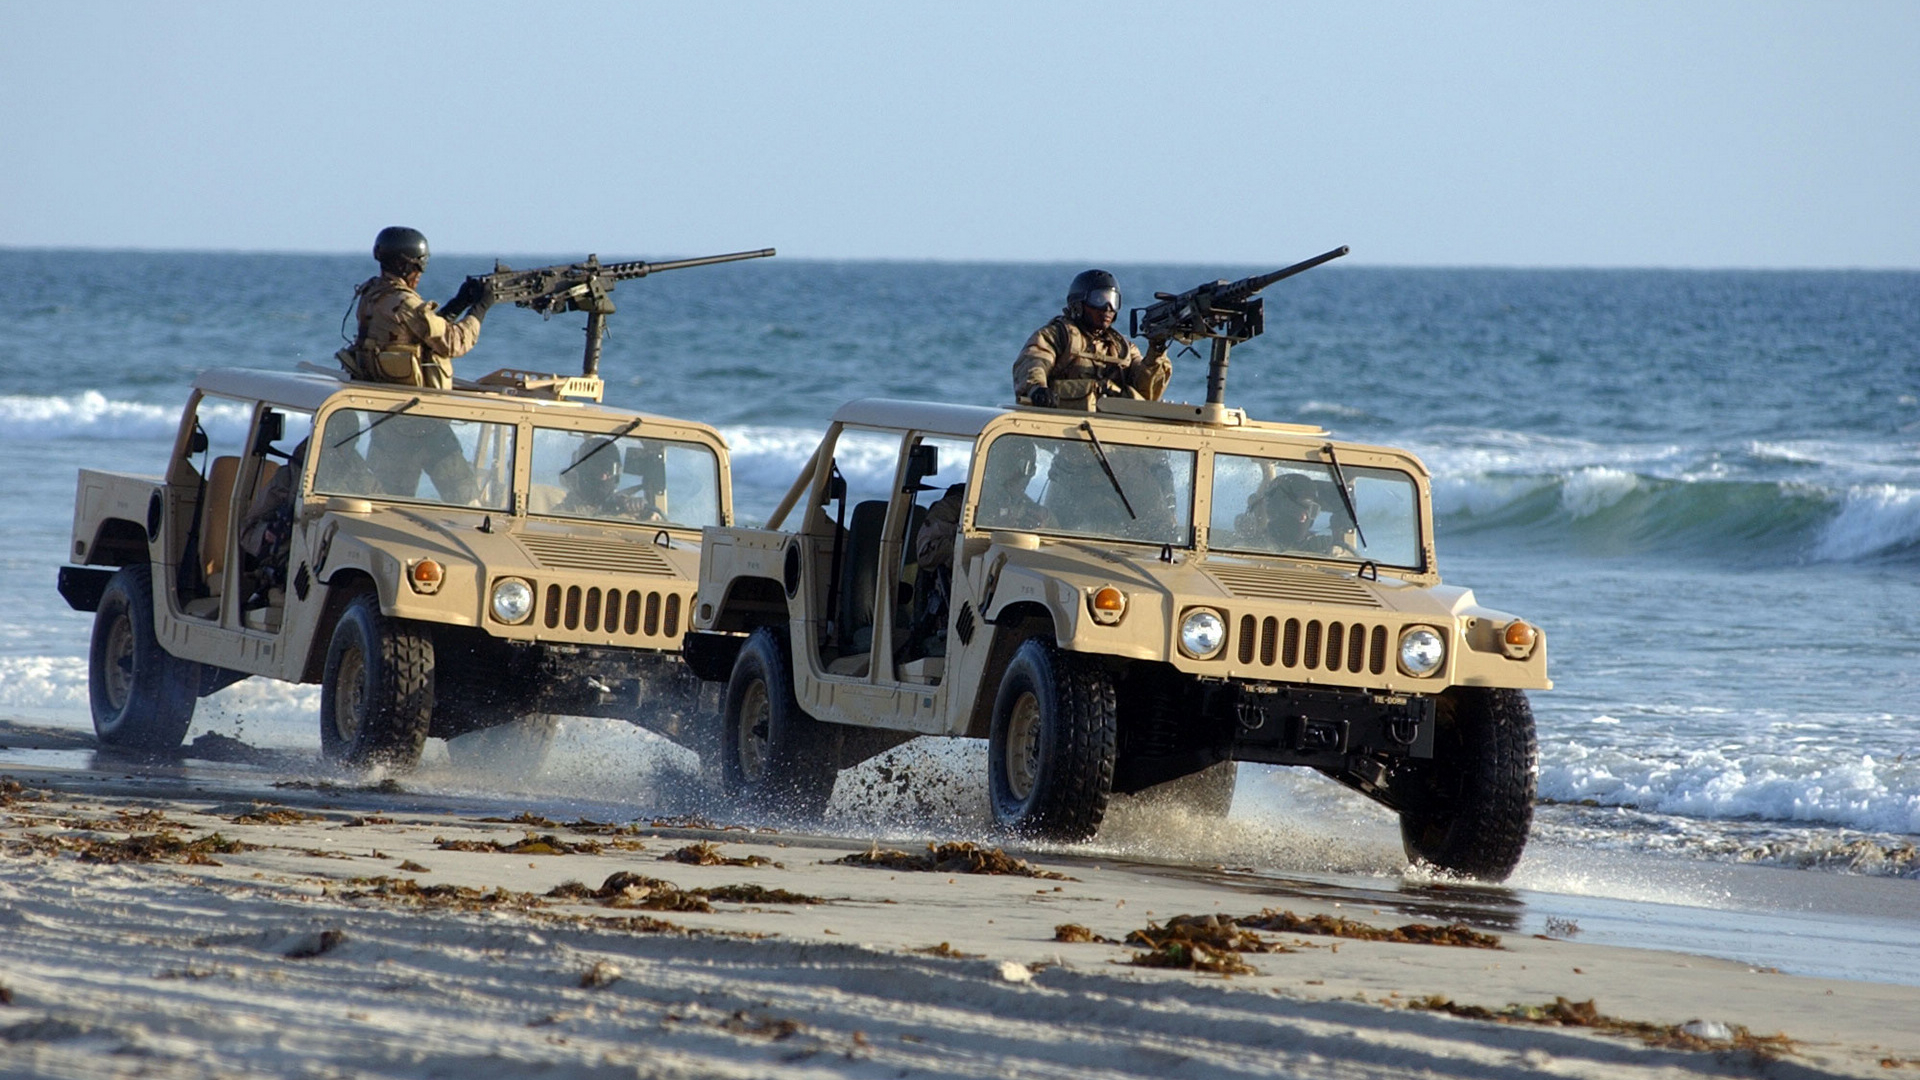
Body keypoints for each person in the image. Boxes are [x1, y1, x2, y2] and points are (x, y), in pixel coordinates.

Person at [338, 226, 492, 390]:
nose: (421, 272)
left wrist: (458, 304)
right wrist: (480, 308)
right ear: (403, 266)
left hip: (381, 385)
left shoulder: (371, 293)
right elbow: (454, 343)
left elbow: (421, 331)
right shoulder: (404, 303)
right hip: (409, 396)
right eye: (419, 265)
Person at [1012, 269, 1170, 410]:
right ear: (1079, 304)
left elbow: (1147, 392)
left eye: (1113, 301)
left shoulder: (1122, 349)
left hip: (1111, 426)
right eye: (1099, 300)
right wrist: (1037, 388)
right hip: (1062, 422)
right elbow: (1035, 361)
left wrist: (1156, 352)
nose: (1108, 308)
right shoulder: (1057, 336)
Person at [555, 437, 663, 521]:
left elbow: (659, 533)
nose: (604, 476)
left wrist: (645, 514)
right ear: (583, 471)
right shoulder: (563, 512)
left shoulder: (628, 508)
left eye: (609, 470)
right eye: (597, 469)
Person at [974, 438, 1053, 531]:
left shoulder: (1037, 515)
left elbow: (1058, 535)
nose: (1015, 476)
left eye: (1025, 467)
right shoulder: (967, 502)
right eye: (1007, 464)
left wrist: (1041, 530)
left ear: (1032, 472)